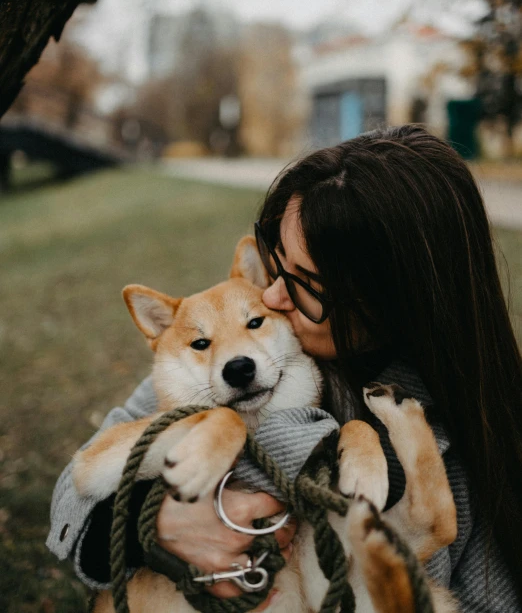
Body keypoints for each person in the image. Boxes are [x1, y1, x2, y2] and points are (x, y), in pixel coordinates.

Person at [47, 125, 522, 612]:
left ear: (392, 303)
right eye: (277, 265)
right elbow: (74, 489)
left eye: (305, 282)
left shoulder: (480, 444)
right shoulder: (240, 365)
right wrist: (155, 523)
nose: (272, 296)